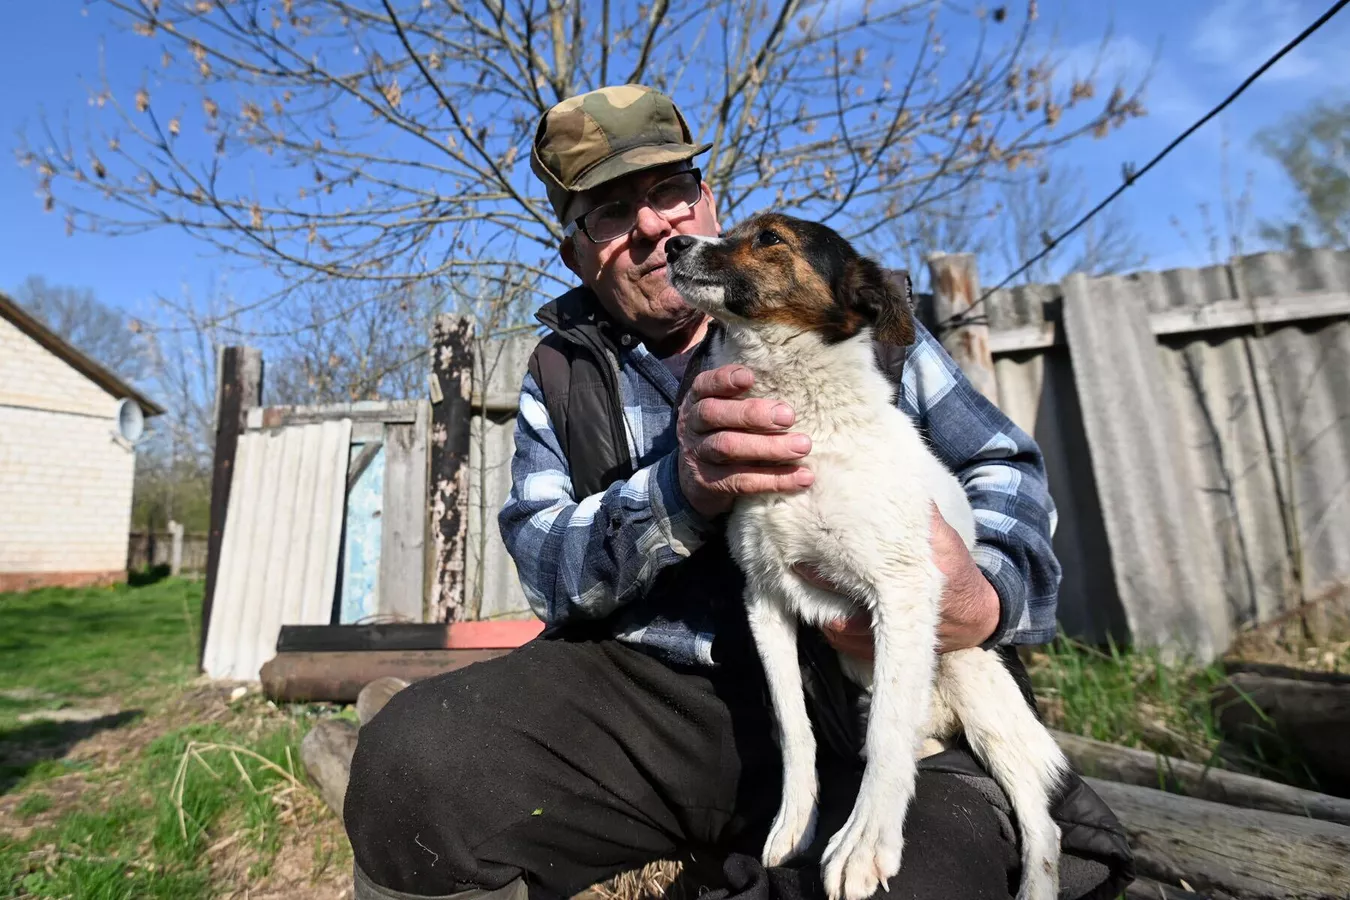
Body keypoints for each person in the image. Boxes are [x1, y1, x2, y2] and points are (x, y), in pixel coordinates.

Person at [343, 84, 1133, 900]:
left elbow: (1004, 467)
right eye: (610, 212)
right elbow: (546, 570)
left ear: (705, 198)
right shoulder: (563, 371)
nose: (653, 226)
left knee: (919, 877)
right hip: (661, 697)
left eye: (668, 191)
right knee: (414, 769)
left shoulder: (845, 317)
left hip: (879, 692)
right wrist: (677, 491)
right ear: (575, 251)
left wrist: (983, 594)